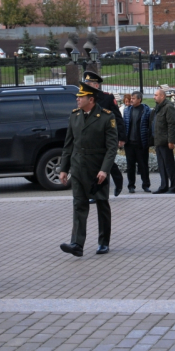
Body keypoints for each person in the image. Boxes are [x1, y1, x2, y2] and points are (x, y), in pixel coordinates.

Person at [58, 82, 119, 256]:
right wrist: (64, 169)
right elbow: (68, 144)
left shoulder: (106, 117)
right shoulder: (75, 115)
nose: (77, 99)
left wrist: (104, 169)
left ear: (91, 99)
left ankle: (103, 242)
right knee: (79, 204)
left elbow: (111, 147)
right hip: (78, 167)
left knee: (101, 204)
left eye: (81, 97)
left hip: (97, 169)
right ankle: (77, 244)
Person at [82, 72, 126, 197]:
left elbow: (118, 118)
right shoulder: (85, 98)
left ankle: (114, 183)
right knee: (96, 163)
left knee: (106, 162)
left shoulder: (107, 98)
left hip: (106, 137)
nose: (87, 86)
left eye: (89, 84)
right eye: (86, 83)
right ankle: (96, 193)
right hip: (92, 138)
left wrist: (121, 137)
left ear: (96, 85)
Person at [151, 88, 175, 194]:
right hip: (158, 141)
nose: (154, 97)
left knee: (169, 165)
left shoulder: (168, 107)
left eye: (156, 95)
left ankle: (173, 187)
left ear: (162, 96)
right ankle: (164, 186)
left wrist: (171, 141)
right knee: (161, 166)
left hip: (166, 141)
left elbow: (172, 125)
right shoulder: (158, 107)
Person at [123, 91, 152, 193]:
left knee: (143, 165)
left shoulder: (146, 110)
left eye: (133, 98)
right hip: (129, 143)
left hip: (141, 143)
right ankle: (131, 186)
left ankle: (146, 185)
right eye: (131, 98)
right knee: (130, 166)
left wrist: (148, 140)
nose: (131, 100)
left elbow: (150, 125)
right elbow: (124, 125)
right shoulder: (127, 110)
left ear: (139, 99)